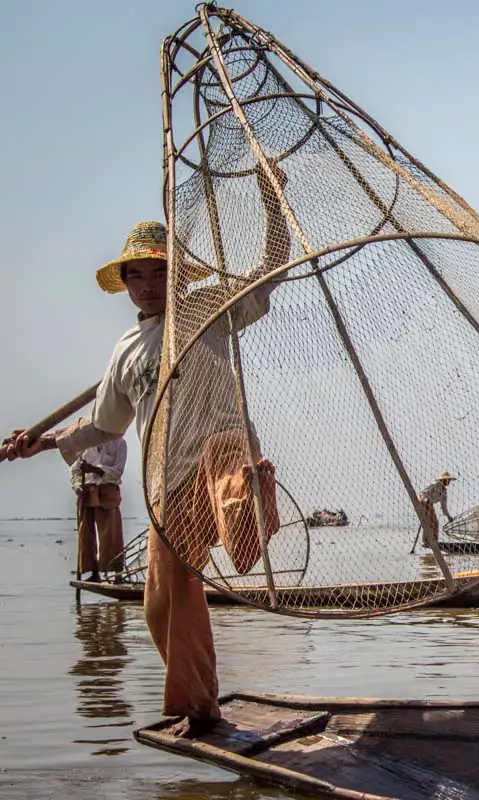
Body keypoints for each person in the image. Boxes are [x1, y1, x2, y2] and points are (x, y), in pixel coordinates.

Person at [3, 161, 291, 737]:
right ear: (127, 284)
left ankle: (250, 501)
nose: (147, 285)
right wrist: (41, 444)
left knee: (230, 496)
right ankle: (200, 706)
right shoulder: (127, 349)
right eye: (137, 276)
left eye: (158, 273)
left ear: (178, 276)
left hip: (220, 450)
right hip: (168, 482)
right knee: (162, 603)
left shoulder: (205, 311)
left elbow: (273, 268)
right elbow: (105, 426)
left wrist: (271, 195)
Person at [70, 439, 128, 583]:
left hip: (107, 491)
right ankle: (94, 573)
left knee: (112, 533)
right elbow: (75, 469)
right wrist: (77, 486)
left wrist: (95, 469)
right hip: (87, 491)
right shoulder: (84, 445)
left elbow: (117, 472)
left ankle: (117, 575)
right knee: (86, 534)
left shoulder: (119, 444)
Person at [419, 471, 456, 540]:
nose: (449, 482)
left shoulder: (444, 491)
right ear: (444, 479)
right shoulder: (435, 484)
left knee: (432, 523)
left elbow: (443, 505)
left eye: (449, 480)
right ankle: (429, 541)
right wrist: (422, 501)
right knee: (433, 523)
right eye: (448, 480)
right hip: (424, 502)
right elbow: (423, 492)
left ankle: (431, 540)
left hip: (430, 504)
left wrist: (448, 516)